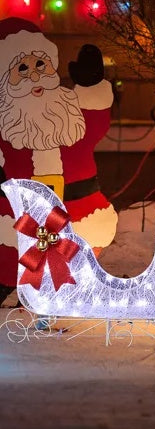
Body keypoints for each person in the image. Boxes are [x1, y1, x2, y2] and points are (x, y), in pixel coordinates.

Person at [0, 17, 117, 305]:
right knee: (10, 249)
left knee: (87, 236)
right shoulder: (7, 122)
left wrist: (91, 85)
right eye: (22, 69)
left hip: (78, 206)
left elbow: (94, 122)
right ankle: (15, 284)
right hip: (19, 213)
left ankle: (67, 283)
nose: (34, 76)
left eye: (40, 64)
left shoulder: (67, 113)